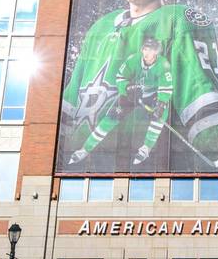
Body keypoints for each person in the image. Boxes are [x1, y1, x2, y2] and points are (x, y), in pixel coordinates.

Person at [60, 0, 218, 168]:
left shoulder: (177, 20)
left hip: (145, 166)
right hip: (84, 166)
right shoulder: (101, 26)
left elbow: (199, 89)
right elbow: (71, 96)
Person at [69, 37, 172, 166]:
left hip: (153, 95)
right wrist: (127, 88)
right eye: (145, 49)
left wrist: (161, 104)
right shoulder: (133, 59)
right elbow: (120, 77)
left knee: (161, 113)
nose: (146, 53)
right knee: (112, 116)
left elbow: (166, 87)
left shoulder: (163, 64)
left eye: (150, 50)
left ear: (156, 52)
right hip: (132, 93)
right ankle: (85, 149)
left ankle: (146, 148)